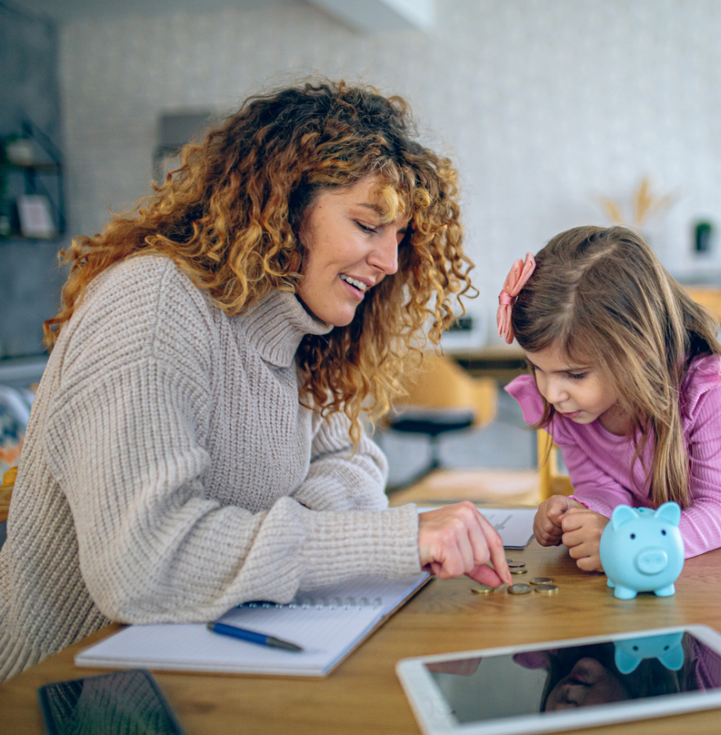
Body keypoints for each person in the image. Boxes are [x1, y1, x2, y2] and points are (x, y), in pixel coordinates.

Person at [0, 81, 511, 683]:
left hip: (198, 660)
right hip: (68, 689)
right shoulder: (155, 305)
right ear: (284, 205)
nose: (390, 262)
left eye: (398, 238)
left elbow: (357, 467)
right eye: (368, 224)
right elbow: (143, 564)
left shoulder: (299, 331)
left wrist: (250, 544)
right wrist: (387, 540)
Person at [498, 226, 721, 572]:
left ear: (637, 353)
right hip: (657, 544)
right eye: (539, 369)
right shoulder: (573, 408)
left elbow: (720, 510)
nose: (552, 394)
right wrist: (582, 513)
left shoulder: (705, 386)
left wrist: (623, 540)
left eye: (575, 374)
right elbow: (603, 487)